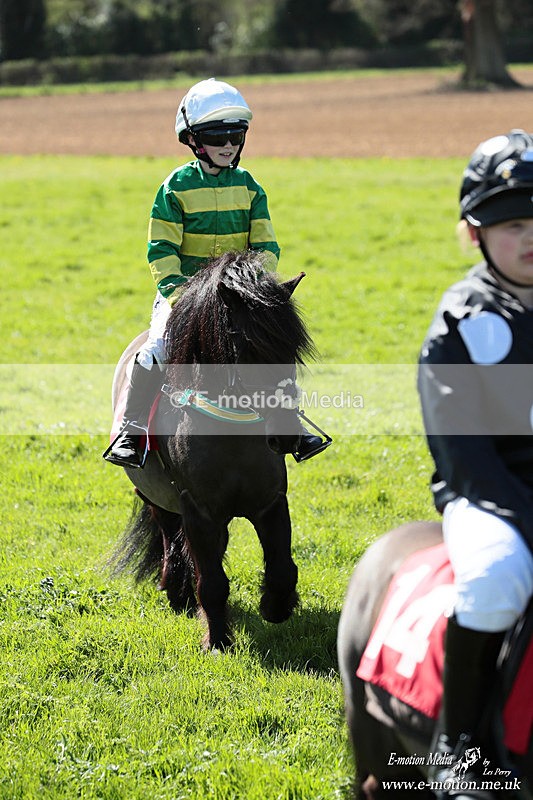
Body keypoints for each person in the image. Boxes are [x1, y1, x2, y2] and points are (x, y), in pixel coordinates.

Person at [104, 77, 325, 467]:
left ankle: (292, 425)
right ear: (193, 140)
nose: (228, 145)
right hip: (185, 296)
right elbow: (161, 251)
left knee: (276, 343)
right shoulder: (175, 187)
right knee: (155, 350)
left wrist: (255, 286)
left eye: (236, 136)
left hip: (240, 295)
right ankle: (131, 431)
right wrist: (180, 297)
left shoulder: (250, 186)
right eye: (216, 136)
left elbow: (266, 246)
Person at [418, 129, 533, 799]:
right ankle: (458, 744)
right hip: (489, 496)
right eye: (512, 225)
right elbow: (461, 452)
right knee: (495, 578)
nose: (529, 237)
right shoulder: (462, 320)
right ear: (474, 233)